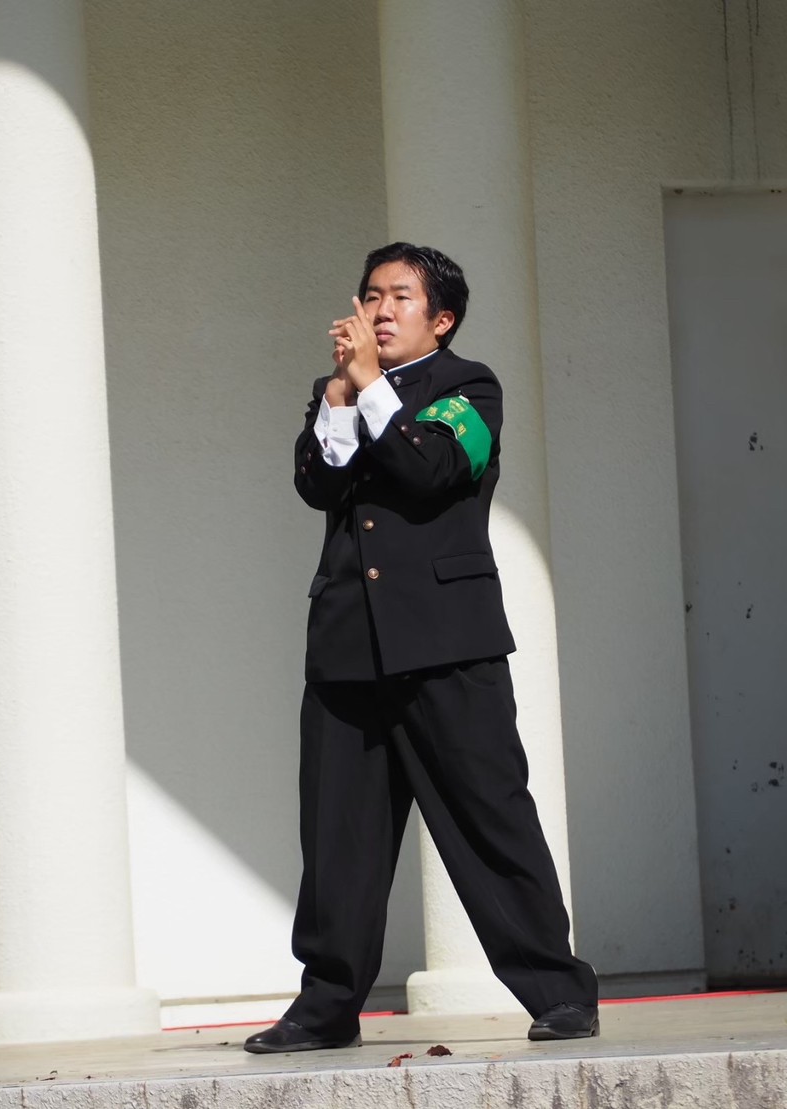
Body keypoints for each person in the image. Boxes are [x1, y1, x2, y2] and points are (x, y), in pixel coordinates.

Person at [243, 243, 599, 1055]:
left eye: (399, 296)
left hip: (447, 644)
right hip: (347, 648)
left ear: (441, 319)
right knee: (338, 838)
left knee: (489, 818)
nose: (379, 309)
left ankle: (558, 991)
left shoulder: (469, 388)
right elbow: (317, 486)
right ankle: (326, 1006)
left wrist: (370, 388)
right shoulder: (336, 390)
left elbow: (429, 469)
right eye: (370, 294)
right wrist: (341, 397)